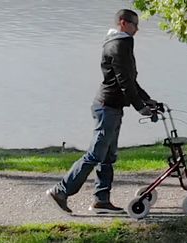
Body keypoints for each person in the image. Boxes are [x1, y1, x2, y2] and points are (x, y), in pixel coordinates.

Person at [46, 9, 157, 214]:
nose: (137, 29)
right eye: (134, 24)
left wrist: (147, 99)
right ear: (123, 23)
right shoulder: (119, 44)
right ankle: (60, 191)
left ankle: (101, 200)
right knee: (95, 154)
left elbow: (130, 79)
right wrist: (140, 106)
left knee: (108, 156)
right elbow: (124, 81)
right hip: (107, 107)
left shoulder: (120, 42)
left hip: (113, 106)